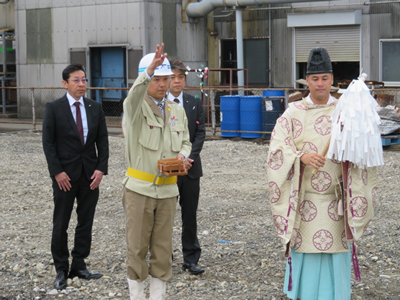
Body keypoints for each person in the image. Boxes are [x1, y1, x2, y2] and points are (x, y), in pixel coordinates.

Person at [267, 47, 377, 300]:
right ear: (307, 81)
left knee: (334, 257)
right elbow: (276, 150)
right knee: (306, 254)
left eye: (324, 78)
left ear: (332, 80)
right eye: (314, 79)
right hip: (305, 199)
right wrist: (300, 158)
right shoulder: (293, 113)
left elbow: (361, 153)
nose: (320, 84)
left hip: (334, 200)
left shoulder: (345, 112)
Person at [122, 44, 192, 300]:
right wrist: (148, 71)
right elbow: (133, 96)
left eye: (166, 79)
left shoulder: (176, 110)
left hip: (168, 190)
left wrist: (183, 156)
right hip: (139, 190)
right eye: (157, 79)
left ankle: (158, 297)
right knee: (137, 248)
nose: (163, 84)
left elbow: (185, 141)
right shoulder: (135, 109)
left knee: (163, 249)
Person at [42, 63, 109, 290]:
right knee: (61, 223)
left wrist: (101, 168)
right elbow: (48, 143)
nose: (82, 84)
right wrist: (57, 172)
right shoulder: (54, 108)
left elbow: (103, 141)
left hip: (90, 175)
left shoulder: (95, 108)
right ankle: (61, 268)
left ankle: (79, 264)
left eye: (84, 80)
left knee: (85, 221)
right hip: (65, 176)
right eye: (76, 80)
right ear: (65, 83)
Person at [167, 59, 206, 275]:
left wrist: (189, 156)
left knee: (189, 214)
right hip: (168, 169)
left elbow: (200, 133)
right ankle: (164, 257)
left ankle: (190, 258)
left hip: (190, 169)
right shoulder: (159, 103)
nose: (177, 81)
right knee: (165, 215)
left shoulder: (193, 102)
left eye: (180, 77)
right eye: (172, 77)